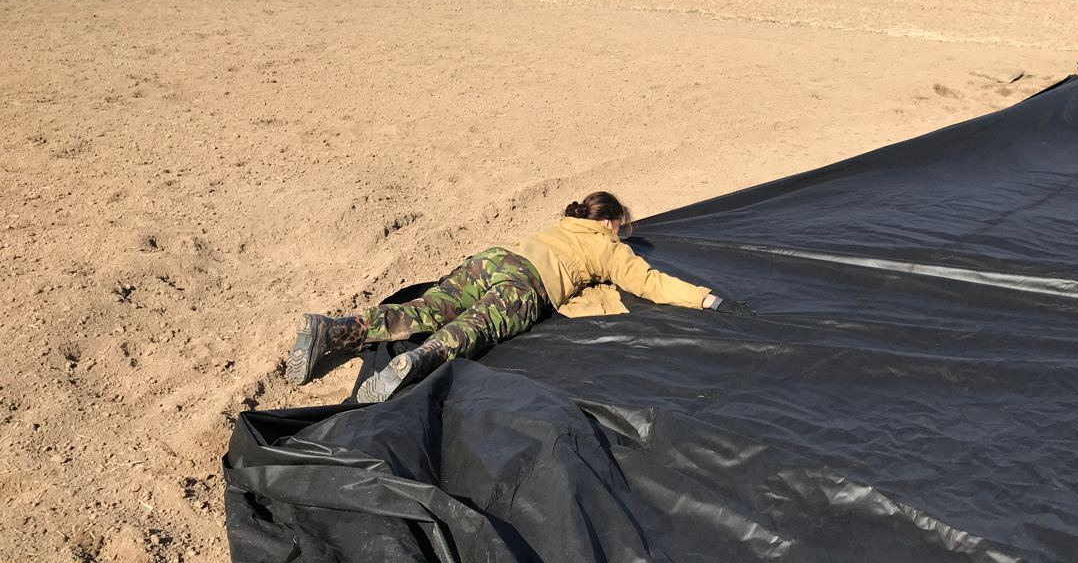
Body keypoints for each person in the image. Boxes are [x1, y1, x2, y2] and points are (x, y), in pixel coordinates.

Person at [285, 191, 753, 403]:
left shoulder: (562, 224)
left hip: (492, 260)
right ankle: (418, 360)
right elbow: (650, 283)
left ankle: (335, 329)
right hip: (528, 284)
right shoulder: (607, 247)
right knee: (475, 328)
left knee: (422, 308)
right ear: (610, 221)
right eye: (622, 226)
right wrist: (705, 299)